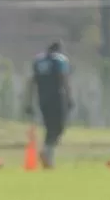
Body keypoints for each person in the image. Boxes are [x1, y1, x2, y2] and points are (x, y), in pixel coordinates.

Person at [24, 41, 73, 169]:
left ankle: (48, 157)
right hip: (57, 97)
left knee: (49, 126)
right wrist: (69, 97)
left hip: (43, 99)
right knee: (59, 127)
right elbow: (64, 79)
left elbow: (31, 82)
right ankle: (47, 152)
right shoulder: (60, 60)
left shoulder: (38, 62)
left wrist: (28, 101)